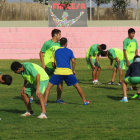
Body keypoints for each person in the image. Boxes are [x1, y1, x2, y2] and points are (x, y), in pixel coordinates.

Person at [44, 37, 90, 105]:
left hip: (58, 72)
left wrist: (56, 68)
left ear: (60, 43)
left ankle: (44, 102)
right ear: (66, 43)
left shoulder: (55, 51)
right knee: (77, 86)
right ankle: (84, 101)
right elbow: (73, 62)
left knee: (48, 87)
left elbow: (53, 64)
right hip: (68, 72)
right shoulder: (70, 51)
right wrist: (73, 70)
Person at [39, 29, 64, 104]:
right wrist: (43, 63)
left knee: (60, 82)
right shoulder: (47, 43)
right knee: (44, 82)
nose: (60, 36)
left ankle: (58, 99)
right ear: (55, 35)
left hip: (57, 66)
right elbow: (41, 53)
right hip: (47, 66)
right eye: (59, 34)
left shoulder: (60, 44)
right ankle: (39, 98)